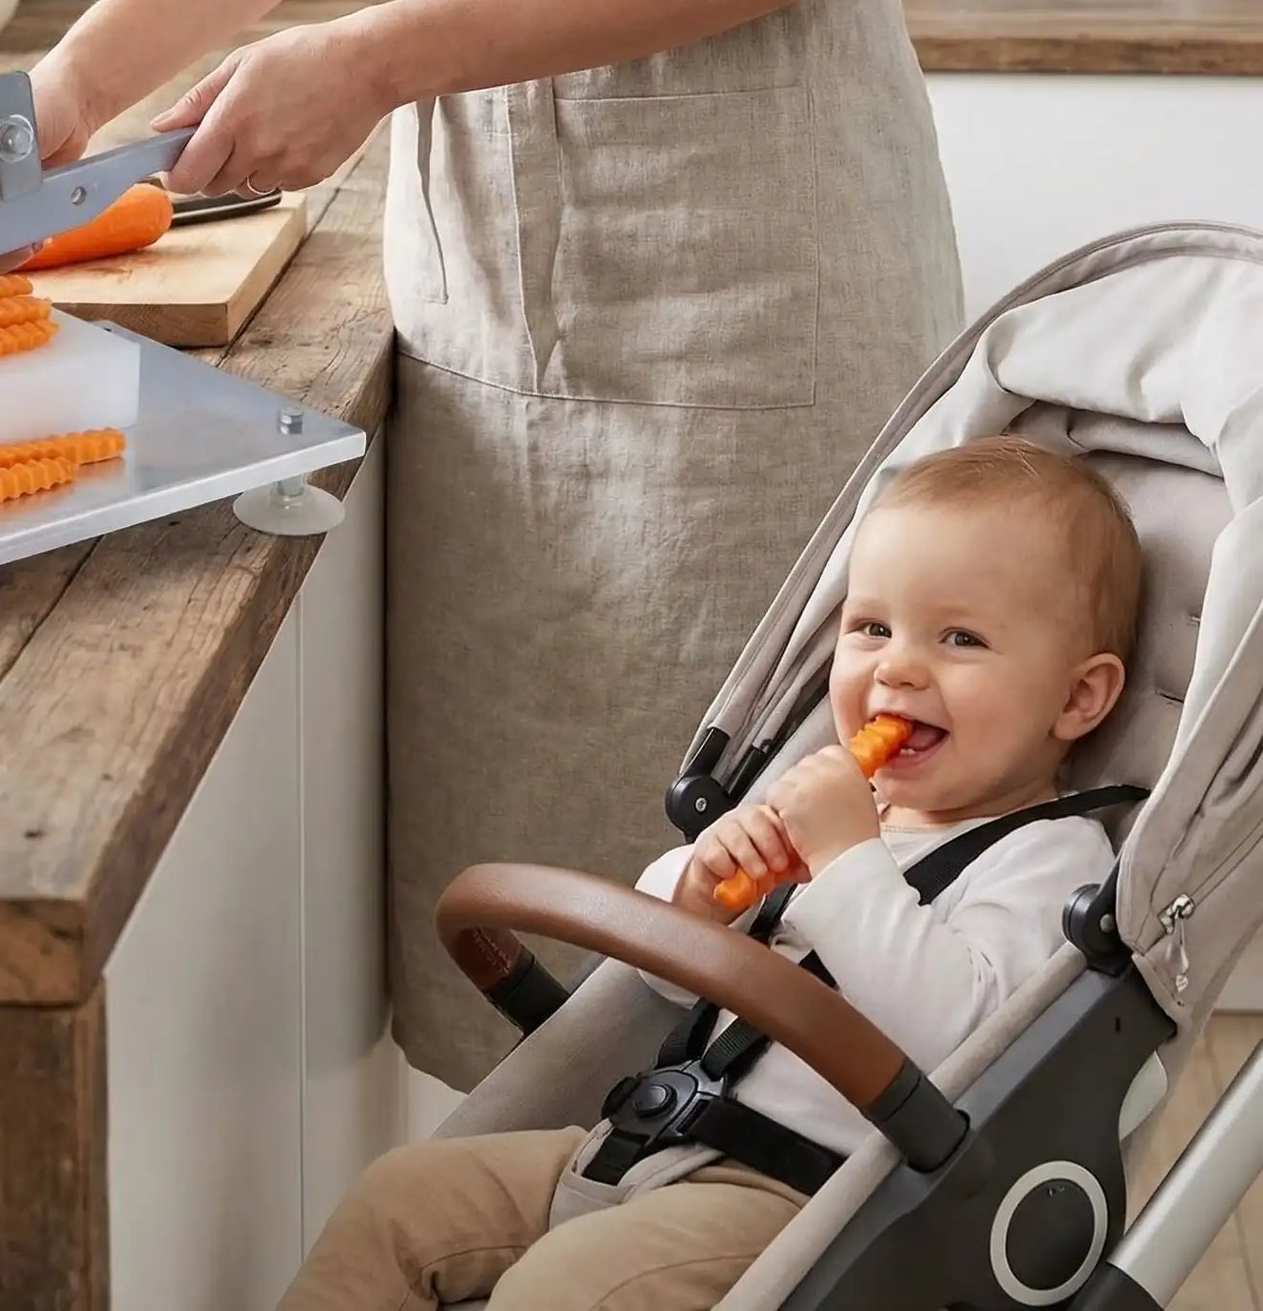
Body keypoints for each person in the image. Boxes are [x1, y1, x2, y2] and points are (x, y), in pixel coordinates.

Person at [26, 0, 964, 1086]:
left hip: (755, 268)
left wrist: (377, 56)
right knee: (532, 945)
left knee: (781, 932)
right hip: (487, 285)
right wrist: (59, 98)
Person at [276, 436, 1141, 1310]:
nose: (897, 666)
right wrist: (699, 893)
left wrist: (845, 860)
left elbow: (960, 1036)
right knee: (396, 1203)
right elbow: (661, 973)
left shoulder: (1049, 858)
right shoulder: (833, 805)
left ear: (1077, 699)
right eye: (871, 627)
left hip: (792, 1201)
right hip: (642, 1133)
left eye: (961, 638)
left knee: (560, 1292)